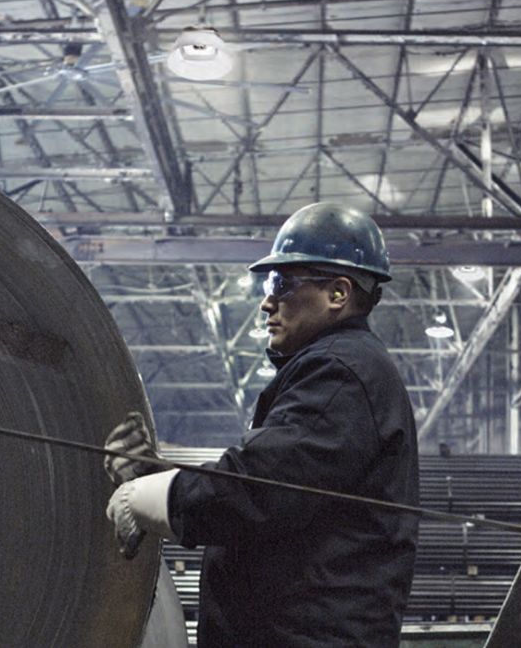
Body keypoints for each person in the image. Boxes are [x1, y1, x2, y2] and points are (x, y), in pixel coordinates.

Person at [105, 202, 419, 647]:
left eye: (283, 283)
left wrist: (152, 497)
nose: (267, 301)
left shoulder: (341, 375)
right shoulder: (342, 371)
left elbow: (258, 488)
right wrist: (156, 478)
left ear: (338, 294)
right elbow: (276, 488)